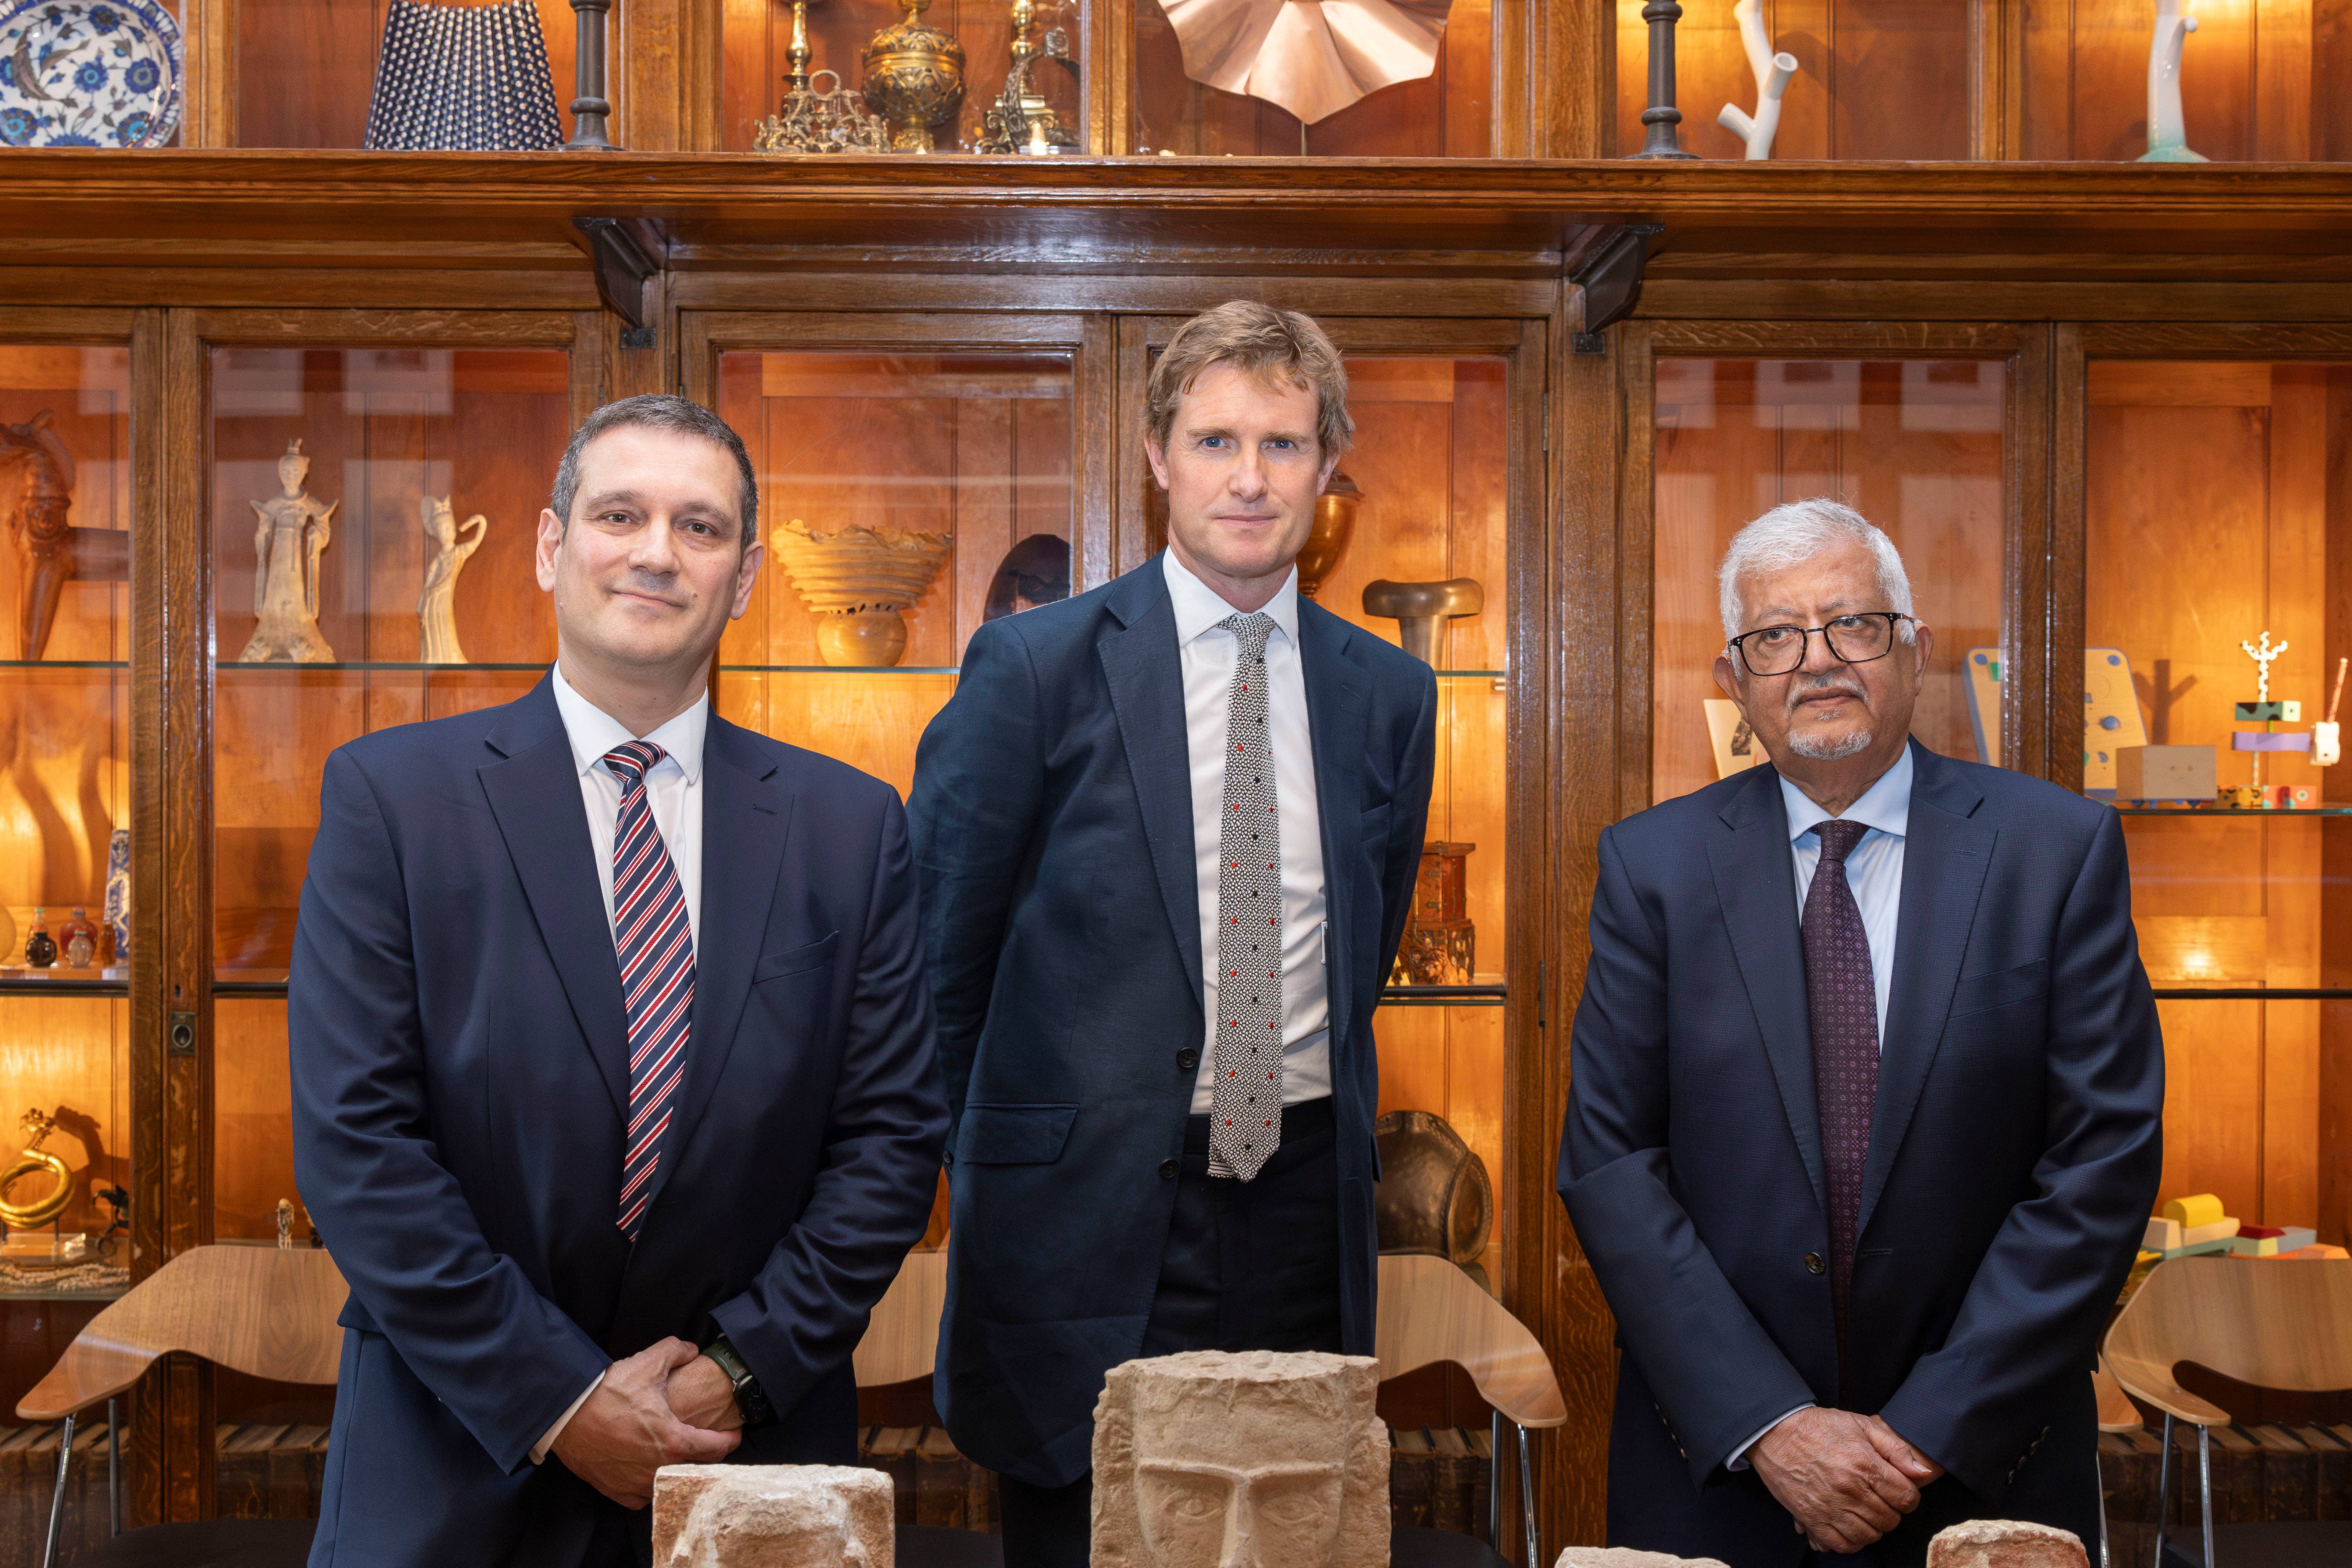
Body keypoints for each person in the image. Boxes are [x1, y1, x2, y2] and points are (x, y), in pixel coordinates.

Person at [290, 395, 948, 1566]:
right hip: (455, 1453)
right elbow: (359, 1146)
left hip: (747, 1459)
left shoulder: (850, 827)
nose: (655, 552)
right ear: (551, 547)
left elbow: (891, 1141)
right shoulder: (391, 802)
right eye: (620, 514)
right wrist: (561, 1401)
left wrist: (729, 1380)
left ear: (742, 578)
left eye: (698, 528)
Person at [909, 301, 1437, 1568]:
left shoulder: (1390, 696)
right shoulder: (1032, 669)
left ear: (1326, 466)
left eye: (1283, 444)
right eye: (1212, 441)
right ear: (1156, 459)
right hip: (1079, 1227)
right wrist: (979, 1174)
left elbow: (1362, 953)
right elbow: (935, 967)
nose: (1248, 478)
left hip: (1306, 1205)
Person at [1557, 498, 2163, 1567]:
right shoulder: (1651, 868)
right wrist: (1772, 1423)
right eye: (1776, 636)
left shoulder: (2053, 851)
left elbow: (2103, 1160)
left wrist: (1929, 1427)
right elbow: (1610, 1165)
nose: (1818, 661)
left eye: (1855, 624)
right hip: (1726, 1467)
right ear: (1734, 679)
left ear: (1914, 647)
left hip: (1983, 1467)